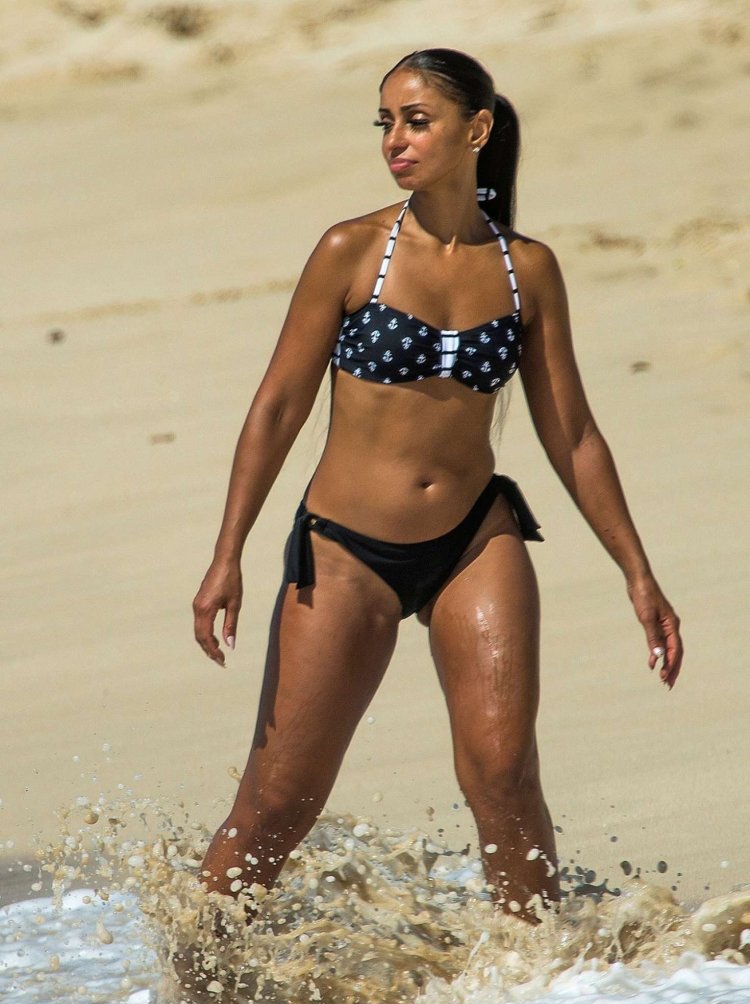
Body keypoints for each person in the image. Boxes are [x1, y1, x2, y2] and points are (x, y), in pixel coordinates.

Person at [192, 48, 683, 924]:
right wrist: (226, 555)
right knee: (278, 802)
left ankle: (544, 977)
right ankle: (192, 982)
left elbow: (573, 434)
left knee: (504, 776)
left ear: (476, 129)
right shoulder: (351, 251)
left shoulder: (526, 269)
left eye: (417, 121)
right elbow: (276, 408)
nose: (396, 140)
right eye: (386, 123)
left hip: (473, 539)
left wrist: (638, 574)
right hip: (344, 552)